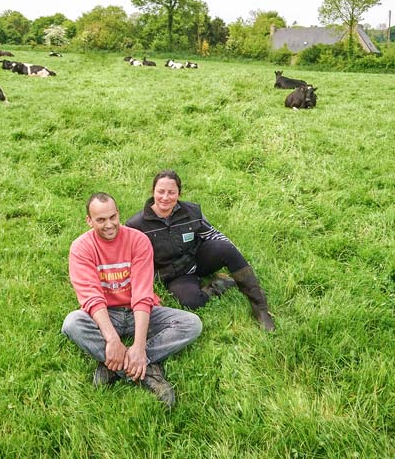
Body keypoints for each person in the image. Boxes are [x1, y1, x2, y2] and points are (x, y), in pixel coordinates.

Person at [62, 192, 202, 408]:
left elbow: (142, 294)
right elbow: (92, 298)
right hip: (107, 314)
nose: (109, 225)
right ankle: (147, 373)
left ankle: (120, 364)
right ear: (89, 221)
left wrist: (138, 346)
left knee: (192, 324)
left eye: (112, 217)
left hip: (140, 312)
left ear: (118, 214)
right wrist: (112, 340)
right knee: (72, 323)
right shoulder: (81, 248)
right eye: (100, 220)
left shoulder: (138, 241)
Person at [125, 170, 277, 331]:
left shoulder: (191, 212)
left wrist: (232, 252)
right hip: (174, 274)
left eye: (171, 192)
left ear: (179, 193)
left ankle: (260, 307)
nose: (165, 197)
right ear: (152, 191)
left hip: (198, 258)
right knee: (191, 302)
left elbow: (212, 234)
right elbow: (130, 260)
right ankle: (220, 284)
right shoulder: (136, 225)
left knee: (225, 247)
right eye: (161, 192)